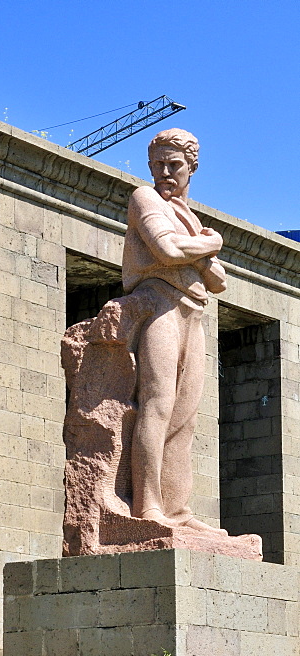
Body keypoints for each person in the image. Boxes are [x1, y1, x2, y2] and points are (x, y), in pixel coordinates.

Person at [122, 128, 227, 531]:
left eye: (174, 165)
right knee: (157, 404)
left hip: (193, 312)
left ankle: (178, 510)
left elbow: (218, 281)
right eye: (157, 165)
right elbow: (166, 251)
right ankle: (148, 506)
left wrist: (200, 250)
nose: (164, 172)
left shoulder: (190, 216)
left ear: (192, 167)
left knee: (185, 418)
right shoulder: (144, 199)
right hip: (160, 304)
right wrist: (209, 245)